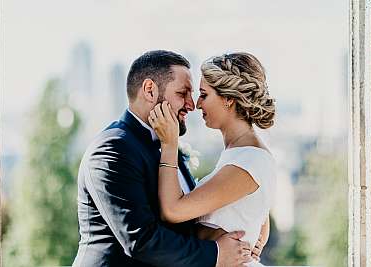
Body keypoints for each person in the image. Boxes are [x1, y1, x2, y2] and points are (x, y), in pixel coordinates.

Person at [72, 50, 252, 267]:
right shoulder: (113, 149)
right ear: (150, 90)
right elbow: (141, 240)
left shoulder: (169, 146)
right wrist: (215, 254)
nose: (191, 105)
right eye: (182, 93)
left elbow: (183, 225)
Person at [148, 52, 276, 266]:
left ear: (228, 99)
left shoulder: (250, 159)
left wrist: (169, 144)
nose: (197, 104)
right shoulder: (240, 154)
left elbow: (173, 210)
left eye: (204, 95)